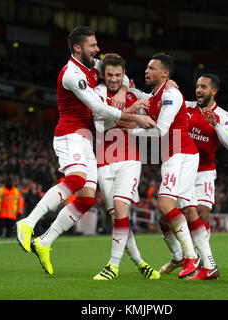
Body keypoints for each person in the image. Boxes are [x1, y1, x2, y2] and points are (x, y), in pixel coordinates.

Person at [15, 26, 156, 275]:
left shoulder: (94, 65)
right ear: (78, 48)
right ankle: (28, 223)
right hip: (70, 135)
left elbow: (119, 75)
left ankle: (44, 242)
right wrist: (134, 117)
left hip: (85, 138)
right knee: (77, 179)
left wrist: (123, 90)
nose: (97, 49)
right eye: (93, 45)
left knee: (86, 199)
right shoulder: (72, 74)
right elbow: (100, 110)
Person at [127, 53, 200, 279]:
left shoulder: (171, 94)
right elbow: (144, 98)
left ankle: (192, 257)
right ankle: (178, 257)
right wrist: (127, 90)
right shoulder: (156, 95)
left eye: (152, 68)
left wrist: (130, 130)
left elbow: (160, 129)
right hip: (170, 158)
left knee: (165, 203)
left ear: (165, 74)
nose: (146, 71)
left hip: (183, 155)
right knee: (164, 218)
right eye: (147, 68)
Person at [157, 74, 228, 280]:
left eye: (203, 87)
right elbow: (167, 102)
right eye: (197, 86)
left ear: (214, 91)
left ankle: (203, 263)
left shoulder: (223, 115)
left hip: (204, 172)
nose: (198, 90)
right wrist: (169, 87)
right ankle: (180, 257)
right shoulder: (187, 107)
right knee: (164, 217)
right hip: (182, 167)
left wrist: (216, 124)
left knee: (201, 211)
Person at [92, 53, 160, 280]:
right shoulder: (96, 93)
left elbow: (152, 116)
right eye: (109, 74)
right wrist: (131, 114)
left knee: (122, 208)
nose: (113, 79)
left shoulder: (134, 93)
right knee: (118, 218)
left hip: (130, 159)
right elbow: (103, 123)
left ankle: (112, 266)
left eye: (118, 75)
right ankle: (140, 263)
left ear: (123, 75)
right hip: (104, 163)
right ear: (104, 74)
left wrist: (133, 125)